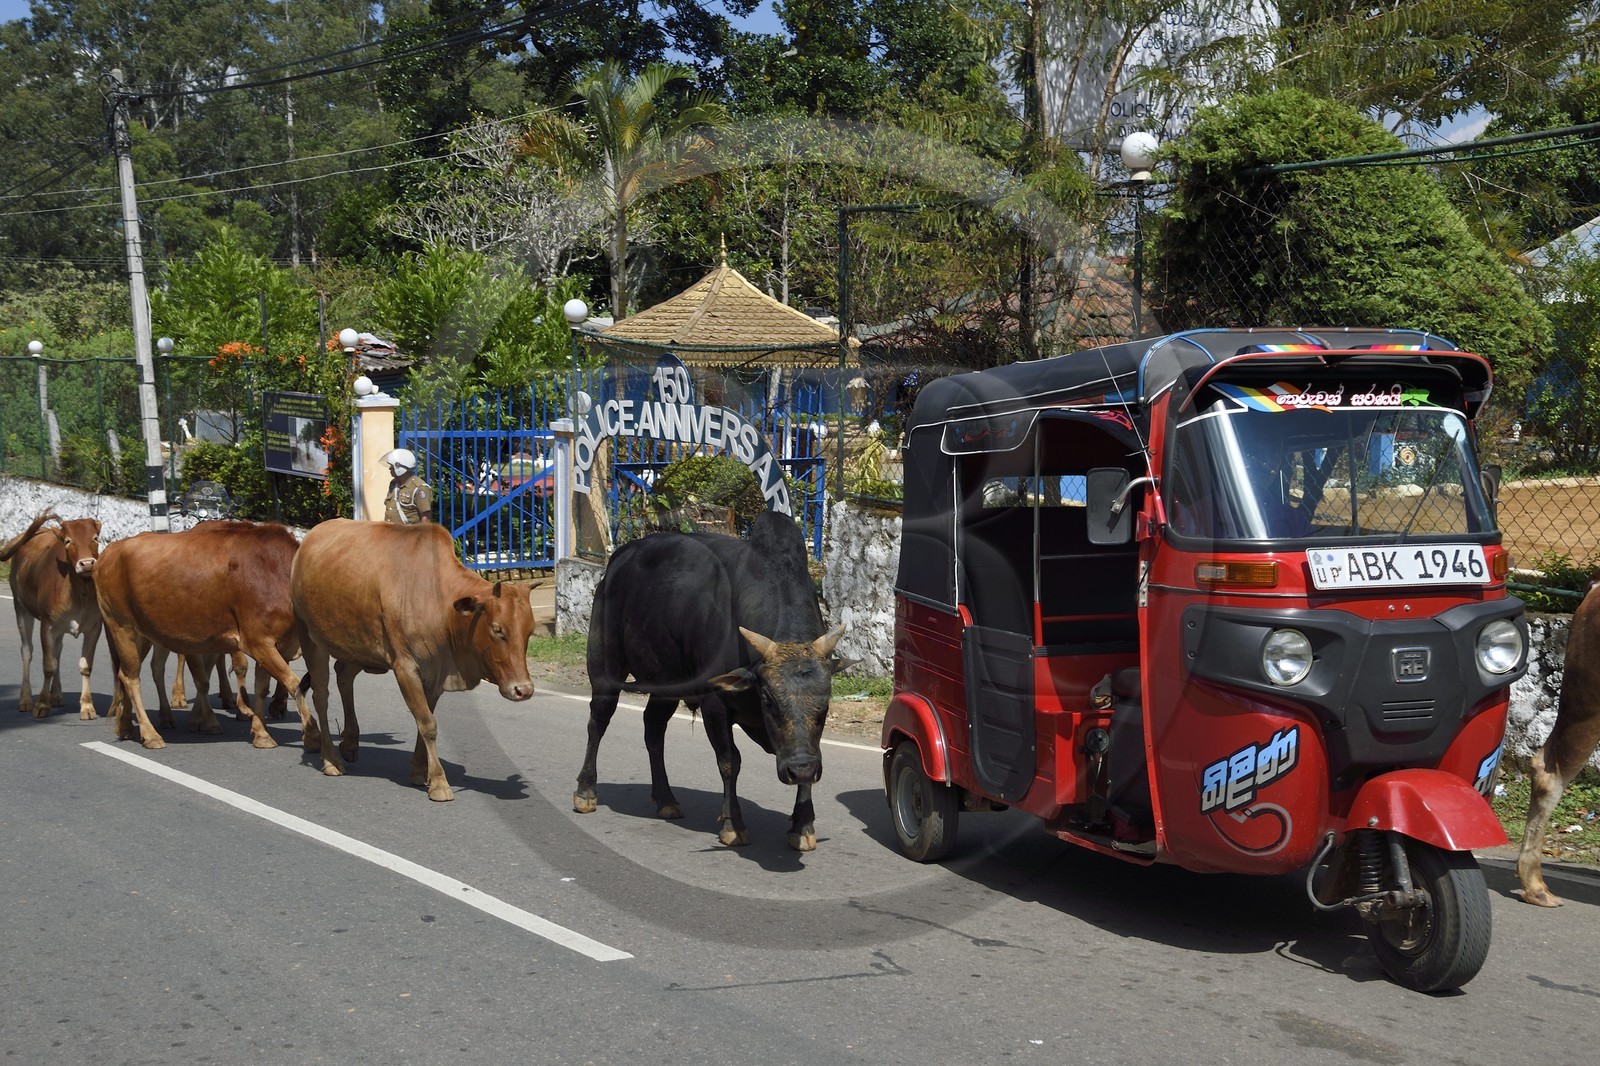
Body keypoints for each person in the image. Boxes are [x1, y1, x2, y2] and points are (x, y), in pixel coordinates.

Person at [380, 447, 432, 524]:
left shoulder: (419, 488)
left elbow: (426, 519)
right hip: (390, 533)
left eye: (392, 467)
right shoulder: (394, 485)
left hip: (408, 534)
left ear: (400, 468)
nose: (390, 469)